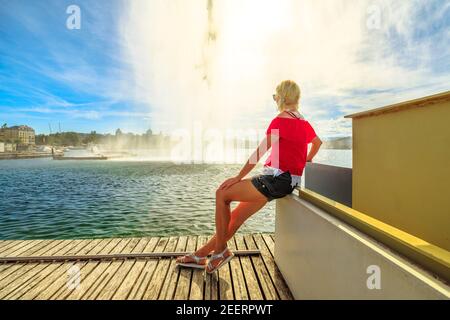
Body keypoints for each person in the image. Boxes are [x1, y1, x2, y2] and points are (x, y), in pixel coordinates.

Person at [176, 80, 322, 273]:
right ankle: (201, 255)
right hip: (287, 182)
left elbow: (259, 153)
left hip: (275, 180)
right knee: (235, 219)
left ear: (282, 97)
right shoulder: (303, 123)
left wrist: (238, 177)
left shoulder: (281, 120)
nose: (275, 100)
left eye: (275, 96)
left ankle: (220, 252)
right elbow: (318, 143)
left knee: (222, 193)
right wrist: (305, 161)